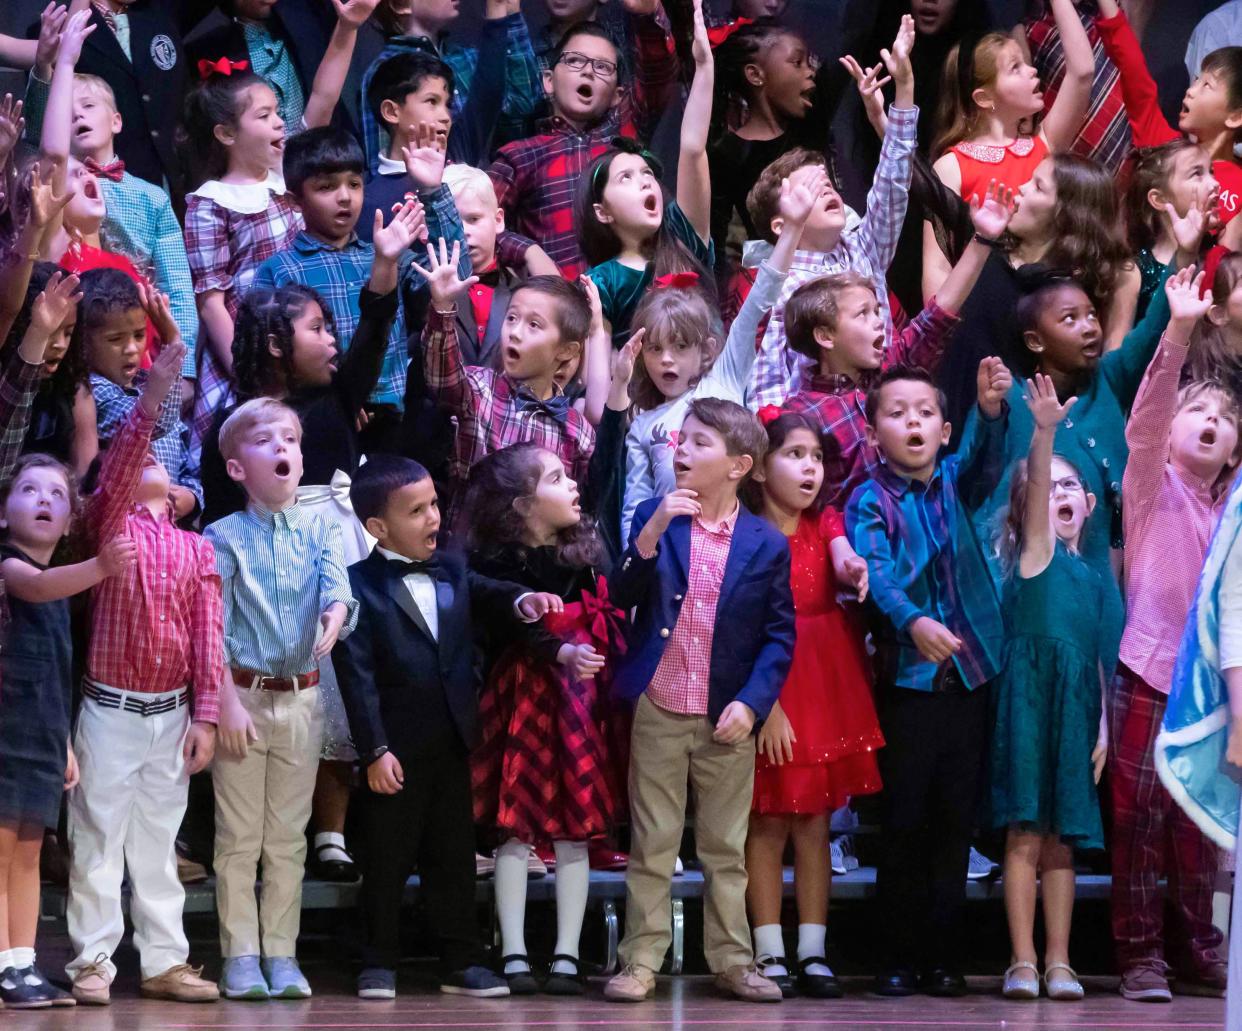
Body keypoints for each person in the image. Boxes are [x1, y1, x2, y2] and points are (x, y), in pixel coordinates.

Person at [334, 453, 560, 1001]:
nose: (434, 517)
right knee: (387, 857)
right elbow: (356, 677)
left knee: (452, 854)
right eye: (417, 511)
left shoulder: (453, 566)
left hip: (454, 737)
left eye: (435, 504)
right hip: (395, 746)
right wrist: (375, 750)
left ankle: (461, 959)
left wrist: (522, 598)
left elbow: (488, 590)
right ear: (378, 527)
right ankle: (379, 959)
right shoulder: (355, 586)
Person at [604, 397, 796, 1004]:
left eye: (698, 443)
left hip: (724, 715)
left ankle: (733, 960)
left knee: (724, 848)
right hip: (661, 701)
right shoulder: (653, 514)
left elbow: (778, 635)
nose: (681, 450)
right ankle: (640, 960)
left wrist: (754, 702)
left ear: (739, 464)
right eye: (680, 440)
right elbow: (620, 592)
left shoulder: (765, 543)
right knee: (653, 842)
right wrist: (654, 528)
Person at [65, 340, 222, 1006]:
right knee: (97, 835)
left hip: (170, 714)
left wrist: (208, 714)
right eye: (140, 460)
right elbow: (127, 451)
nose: (150, 461)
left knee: (158, 844)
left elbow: (208, 636)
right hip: (110, 708)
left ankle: (164, 959)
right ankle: (93, 959)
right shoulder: (108, 523)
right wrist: (155, 395)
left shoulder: (197, 546)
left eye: (161, 458)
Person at [846, 360, 1010, 997]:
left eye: (924, 413)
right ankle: (895, 955)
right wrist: (911, 620)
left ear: (943, 430)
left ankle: (944, 958)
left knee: (954, 826)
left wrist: (989, 409)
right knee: (905, 823)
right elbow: (875, 573)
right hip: (908, 684)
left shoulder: (956, 481)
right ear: (874, 432)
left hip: (969, 678)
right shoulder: (869, 497)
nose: (912, 421)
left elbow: (986, 458)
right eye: (897, 413)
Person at [205, 398, 357, 1001]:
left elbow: (338, 586)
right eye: (265, 440)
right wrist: (226, 703)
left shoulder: (321, 528)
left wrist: (337, 609)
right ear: (238, 468)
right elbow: (209, 625)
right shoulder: (222, 536)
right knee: (240, 834)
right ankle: (240, 954)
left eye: (289, 439)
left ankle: (281, 952)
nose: (282, 449)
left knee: (287, 836)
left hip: (301, 700)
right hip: (243, 697)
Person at [1112, 271, 1235, 1002]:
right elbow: (1149, 417)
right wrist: (1181, 329)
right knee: (1139, 820)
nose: (1213, 422)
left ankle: (1198, 943)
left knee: (1201, 823)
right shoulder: (1150, 482)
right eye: (1201, 412)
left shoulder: (1233, 515)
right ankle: (1139, 954)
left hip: (1212, 681)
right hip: (1148, 668)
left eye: (1227, 419)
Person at [462, 444, 626, 996]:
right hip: (523, 699)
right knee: (515, 826)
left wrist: (619, 406)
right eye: (557, 477)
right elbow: (513, 625)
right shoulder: (494, 566)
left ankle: (566, 955)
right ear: (521, 506)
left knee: (576, 827)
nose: (573, 484)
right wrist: (558, 652)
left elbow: (608, 473)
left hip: (578, 702)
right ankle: (511, 951)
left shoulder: (583, 554)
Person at [742, 408, 877, 1000]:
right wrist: (762, 701)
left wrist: (852, 566)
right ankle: (769, 948)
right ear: (758, 467)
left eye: (817, 457)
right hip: (769, 684)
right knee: (767, 819)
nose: (809, 468)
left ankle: (814, 951)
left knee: (816, 822)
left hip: (824, 680)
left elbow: (843, 554)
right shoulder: (746, 532)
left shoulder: (825, 523)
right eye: (794, 455)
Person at [991, 374, 1113, 1003]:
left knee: (1063, 840)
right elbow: (1037, 485)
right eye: (1048, 487)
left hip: (1074, 709)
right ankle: (1021, 959)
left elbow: (1092, 657)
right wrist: (1042, 435)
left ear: (1089, 504)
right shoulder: (1034, 555)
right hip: (1031, 703)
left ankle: (1060, 961)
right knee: (1026, 833)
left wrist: (1101, 726)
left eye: (1073, 486)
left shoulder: (1092, 577)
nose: (1058, 492)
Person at [782, 179, 1014, 509]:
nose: (880, 321)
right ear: (825, 336)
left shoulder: (890, 373)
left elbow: (938, 315)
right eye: (863, 314)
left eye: (878, 311)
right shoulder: (802, 415)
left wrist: (982, 240)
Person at [621, 169, 818, 540]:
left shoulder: (724, 377)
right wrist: (636, 568)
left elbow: (761, 298)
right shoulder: (644, 425)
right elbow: (635, 506)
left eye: (681, 347)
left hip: (736, 545)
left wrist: (792, 227)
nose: (667, 359)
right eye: (655, 348)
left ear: (708, 349)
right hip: (673, 557)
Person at [0, 271, 94, 1010]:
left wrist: (63, 740)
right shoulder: (12, 569)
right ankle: (3, 960)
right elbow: (35, 587)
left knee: (31, 848)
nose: (43, 501)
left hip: (37, 733)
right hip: (2, 732)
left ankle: (25, 959)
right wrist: (101, 566)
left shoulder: (62, 582)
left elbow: (58, 673)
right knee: (1, 848)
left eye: (57, 495)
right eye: (29, 490)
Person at [747, 15, 916, 409]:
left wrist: (903, 92)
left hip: (882, 418)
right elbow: (769, 386)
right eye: (810, 186)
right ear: (780, 222)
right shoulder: (781, 288)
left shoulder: (862, 252)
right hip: (821, 432)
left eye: (828, 182)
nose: (827, 188)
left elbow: (892, 184)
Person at [254, 127, 432, 442]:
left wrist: (433, 191)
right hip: (320, 422)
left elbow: (453, 280)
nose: (345, 197)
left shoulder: (386, 254)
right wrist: (335, 400)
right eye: (326, 187)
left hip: (393, 421)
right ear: (295, 201)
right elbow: (272, 364)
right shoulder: (279, 271)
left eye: (354, 184)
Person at [486, 18, 677, 278]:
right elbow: (475, 220)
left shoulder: (622, 140)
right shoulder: (520, 155)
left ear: (617, 96)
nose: (588, 71)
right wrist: (528, 251)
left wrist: (646, 16)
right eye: (575, 60)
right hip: (559, 307)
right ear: (548, 81)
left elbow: (656, 72)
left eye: (602, 67)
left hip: (633, 301)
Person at [416, 240, 596, 513]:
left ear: (566, 350)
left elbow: (579, 507)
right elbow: (443, 377)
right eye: (511, 318)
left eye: (534, 325)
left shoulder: (578, 432)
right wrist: (442, 305)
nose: (515, 331)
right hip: (470, 549)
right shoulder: (479, 390)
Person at [579, 0, 713, 347]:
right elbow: (600, 370)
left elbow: (693, 146)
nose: (645, 181)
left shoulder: (685, 241)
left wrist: (703, 67)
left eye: (647, 174)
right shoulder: (602, 282)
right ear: (602, 211)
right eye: (626, 178)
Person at [182, 69, 303, 452]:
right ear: (227, 134)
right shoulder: (211, 203)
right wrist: (248, 373)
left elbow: (324, 99)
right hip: (246, 352)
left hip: (299, 343)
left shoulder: (287, 184)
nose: (279, 121)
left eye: (277, 112)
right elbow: (211, 302)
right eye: (264, 116)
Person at [21, 0, 218, 197]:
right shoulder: (55, 30)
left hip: (182, 182)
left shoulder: (163, 10)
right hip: (104, 189)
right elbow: (42, 123)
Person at [66, 74, 198, 365]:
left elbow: (176, 286)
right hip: (75, 330)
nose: (76, 113)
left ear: (116, 121)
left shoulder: (152, 197)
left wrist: (183, 365)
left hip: (141, 337)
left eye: (88, 105)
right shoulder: (56, 191)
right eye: (64, 110)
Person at [928, 0, 1092, 202]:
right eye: (1015, 67)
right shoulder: (951, 168)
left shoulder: (1044, 144)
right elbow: (939, 235)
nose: (1032, 71)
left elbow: (1082, 72)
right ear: (984, 98)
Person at [356, 0, 543, 173]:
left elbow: (523, 103)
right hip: (413, 198)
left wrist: (508, 11)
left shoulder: (467, 58)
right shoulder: (383, 72)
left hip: (477, 191)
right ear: (400, 5)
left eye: (448, 104)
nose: (446, 116)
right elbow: (382, 164)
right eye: (431, 101)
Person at [80, 272, 199, 519]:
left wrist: (192, 496)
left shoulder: (149, 382)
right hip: (125, 528)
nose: (132, 349)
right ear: (83, 344)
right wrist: (173, 343)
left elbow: (187, 461)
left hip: (170, 532)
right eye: (115, 339)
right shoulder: (92, 392)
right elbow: (154, 425)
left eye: (138, 334)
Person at [1126, 140, 1217, 321]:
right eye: (1197, 174)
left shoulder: (1219, 256)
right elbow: (1117, 346)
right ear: (1159, 199)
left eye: (1211, 172)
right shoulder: (1133, 271)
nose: (1214, 183)